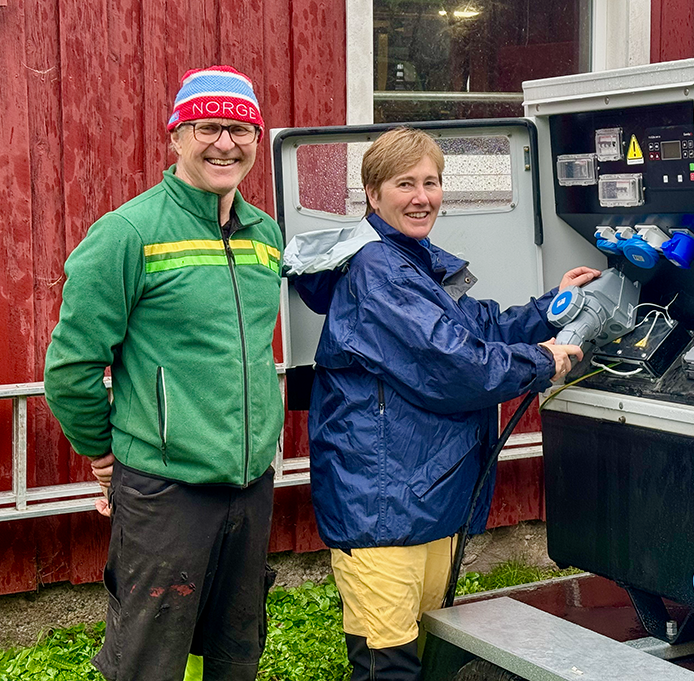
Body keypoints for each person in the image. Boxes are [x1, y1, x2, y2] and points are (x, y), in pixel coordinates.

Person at [285, 126, 599, 681]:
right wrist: (541, 361)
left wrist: (552, 308)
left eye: (431, 182)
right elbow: (455, 365)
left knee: (426, 655)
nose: (421, 196)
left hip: (424, 497)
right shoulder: (377, 270)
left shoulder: (415, 260)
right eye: (404, 183)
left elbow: (478, 325)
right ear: (372, 194)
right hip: (381, 507)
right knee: (391, 667)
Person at [44, 65, 284, 681]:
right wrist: (103, 454)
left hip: (251, 480)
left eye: (240, 130)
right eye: (208, 128)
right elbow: (70, 369)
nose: (225, 144)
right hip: (164, 490)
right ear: (176, 136)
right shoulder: (129, 233)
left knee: (237, 654)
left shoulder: (265, 236)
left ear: (258, 139)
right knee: (149, 661)